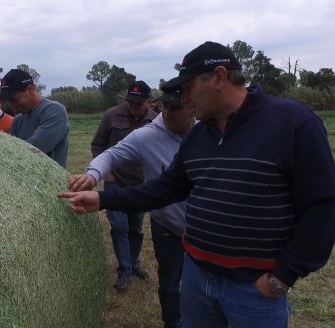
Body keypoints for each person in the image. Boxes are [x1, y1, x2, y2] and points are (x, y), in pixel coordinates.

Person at [58, 41, 335, 327]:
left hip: (253, 290)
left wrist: (282, 278)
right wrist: (103, 200)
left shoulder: (292, 122)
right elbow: (165, 189)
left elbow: (322, 207)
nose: (185, 99)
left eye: (189, 87)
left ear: (219, 78)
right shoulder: (199, 136)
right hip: (196, 278)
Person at [68, 90, 195, 327]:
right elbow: (111, 155)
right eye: (165, 106)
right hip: (167, 226)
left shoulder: (208, 132)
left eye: (176, 108)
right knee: (169, 284)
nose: (168, 113)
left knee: (199, 287)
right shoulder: (147, 135)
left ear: (194, 108)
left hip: (204, 230)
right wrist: (93, 175)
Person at [90, 80, 158, 290]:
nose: (134, 106)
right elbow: (98, 145)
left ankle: (135, 263)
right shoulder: (111, 115)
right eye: (130, 102)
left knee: (136, 227)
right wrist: (108, 175)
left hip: (141, 183)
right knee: (119, 226)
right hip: (115, 181)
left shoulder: (157, 121)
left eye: (139, 103)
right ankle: (124, 269)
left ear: (149, 101)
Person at [0, 69, 69, 168]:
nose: (12, 105)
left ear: (30, 89)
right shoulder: (17, 120)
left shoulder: (54, 111)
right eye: (9, 101)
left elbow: (35, 149)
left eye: (14, 99)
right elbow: (11, 151)